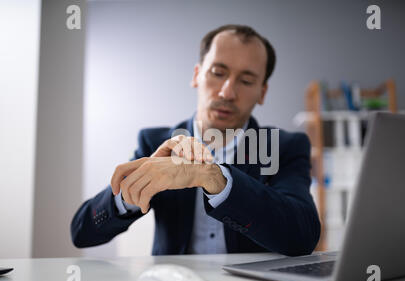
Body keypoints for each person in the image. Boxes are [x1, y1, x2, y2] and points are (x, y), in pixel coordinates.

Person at [71, 24, 320, 256]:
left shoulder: (284, 147)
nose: (227, 92)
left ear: (262, 92)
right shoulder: (155, 143)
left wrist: (214, 178)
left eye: (245, 81)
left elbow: (302, 237)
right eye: (218, 73)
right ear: (196, 75)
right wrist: (130, 193)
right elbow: (82, 233)